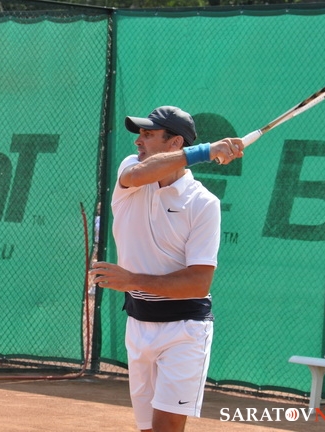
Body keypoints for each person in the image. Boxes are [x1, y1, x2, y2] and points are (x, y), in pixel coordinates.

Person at [89, 106, 244, 432]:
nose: (138, 141)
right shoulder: (131, 171)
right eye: (139, 134)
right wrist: (206, 151)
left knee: (166, 428)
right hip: (138, 324)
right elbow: (140, 173)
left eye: (148, 134)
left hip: (185, 330)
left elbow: (198, 283)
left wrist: (132, 280)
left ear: (175, 143)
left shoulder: (203, 204)